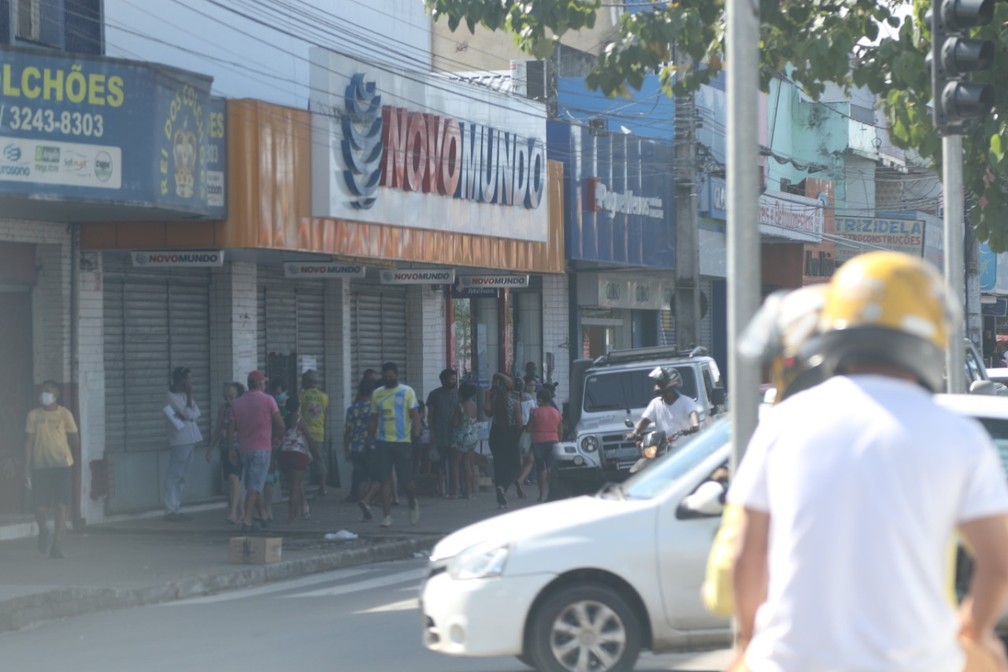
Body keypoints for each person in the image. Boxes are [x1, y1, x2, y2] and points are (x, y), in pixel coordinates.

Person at [729, 251, 1008, 672]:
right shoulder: (958, 435)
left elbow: (746, 555)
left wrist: (749, 644)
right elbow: (999, 563)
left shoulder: (784, 421)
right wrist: (973, 630)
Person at [360, 362, 421, 527]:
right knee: (384, 479)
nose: (389, 379)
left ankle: (412, 502)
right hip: (383, 442)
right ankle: (387, 516)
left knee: (406, 480)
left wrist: (416, 436)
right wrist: (369, 439)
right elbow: (373, 419)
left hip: (403, 442)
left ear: (397, 375)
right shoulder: (377, 394)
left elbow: (415, 415)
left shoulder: (407, 392)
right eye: (386, 377)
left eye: (391, 376)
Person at [24, 380, 79, 559]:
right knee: (40, 508)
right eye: (42, 391)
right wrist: (26, 468)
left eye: (48, 391)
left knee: (61, 507)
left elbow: (74, 439)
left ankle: (56, 544)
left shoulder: (65, 414)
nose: (44, 394)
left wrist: (63, 453)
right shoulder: (33, 415)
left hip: (62, 467)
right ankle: (43, 531)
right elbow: (29, 443)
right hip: (40, 467)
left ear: (56, 395)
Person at [228, 370, 285, 532]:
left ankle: (264, 516)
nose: (265, 385)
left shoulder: (237, 403)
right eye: (264, 383)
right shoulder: (268, 400)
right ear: (259, 384)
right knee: (255, 485)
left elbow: (231, 427)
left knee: (254, 482)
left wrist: (231, 449)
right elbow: (280, 424)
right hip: (262, 448)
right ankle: (247, 519)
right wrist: (278, 439)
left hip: (244, 449)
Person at [163, 366, 202, 521]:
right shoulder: (170, 396)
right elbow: (187, 413)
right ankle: (170, 508)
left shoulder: (185, 396)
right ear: (180, 380)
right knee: (174, 474)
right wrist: (189, 397)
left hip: (192, 438)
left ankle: (176, 506)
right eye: (187, 379)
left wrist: (188, 411)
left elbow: (195, 413)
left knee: (183, 475)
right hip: (180, 440)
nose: (189, 383)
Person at [205, 382, 246, 524]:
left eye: (231, 396)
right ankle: (243, 513)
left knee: (234, 478)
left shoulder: (242, 409)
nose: (228, 399)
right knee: (233, 481)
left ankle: (233, 512)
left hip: (238, 448)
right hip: (224, 447)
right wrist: (210, 448)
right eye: (225, 396)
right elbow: (217, 429)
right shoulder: (223, 409)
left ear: (238, 395)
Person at [629, 367, 700, 440]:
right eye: (662, 393)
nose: (664, 395)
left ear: (672, 389)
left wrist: (695, 425)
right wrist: (634, 432)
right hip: (663, 445)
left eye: (666, 392)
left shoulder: (686, 401)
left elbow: (693, 414)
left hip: (684, 446)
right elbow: (645, 420)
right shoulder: (655, 403)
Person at [278, 396, 316, 524]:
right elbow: (310, 439)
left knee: (291, 486)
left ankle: (295, 514)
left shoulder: (283, 420)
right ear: (298, 407)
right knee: (296, 487)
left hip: (285, 454)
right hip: (298, 454)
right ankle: (292, 516)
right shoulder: (300, 421)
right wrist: (315, 452)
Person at [488, 372, 522, 509]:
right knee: (514, 466)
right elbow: (519, 422)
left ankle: (500, 500)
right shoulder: (514, 402)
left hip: (495, 434)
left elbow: (488, 412)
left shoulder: (494, 400)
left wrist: (496, 376)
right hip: (510, 433)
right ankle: (502, 487)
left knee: (499, 466)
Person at [426, 368, 460, 497]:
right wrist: (431, 432)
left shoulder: (459, 394)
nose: (453, 382)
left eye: (454, 379)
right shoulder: (434, 395)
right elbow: (430, 415)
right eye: (451, 379)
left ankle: (454, 490)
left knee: (454, 463)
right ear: (443, 380)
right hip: (439, 433)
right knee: (439, 463)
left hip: (455, 434)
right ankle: (441, 489)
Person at [526, 387, 563, 502]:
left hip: (538, 442)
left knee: (540, 468)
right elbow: (560, 430)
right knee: (551, 467)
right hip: (553, 441)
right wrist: (558, 441)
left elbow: (528, 428)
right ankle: (552, 493)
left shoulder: (535, 412)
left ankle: (541, 495)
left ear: (540, 400)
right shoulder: (556, 412)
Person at [344, 379, 376, 506]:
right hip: (372, 446)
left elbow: (348, 431)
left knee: (361, 476)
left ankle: (362, 501)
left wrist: (346, 449)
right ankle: (369, 500)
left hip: (356, 447)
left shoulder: (352, 409)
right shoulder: (374, 408)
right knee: (375, 476)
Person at [298, 369, 329, 497]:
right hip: (319, 433)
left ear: (307, 381)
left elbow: (298, 415)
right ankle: (323, 487)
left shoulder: (301, 396)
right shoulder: (324, 396)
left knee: (301, 460)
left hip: (303, 433)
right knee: (319, 459)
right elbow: (325, 415)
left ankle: (301, 486)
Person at [454, 382, 480, 498]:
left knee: (455, 464)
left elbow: (455, 422)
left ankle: (455, 491)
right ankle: (469, 491)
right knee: (468, 464)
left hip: (461, 436)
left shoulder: (460, 406)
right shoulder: (474, 405)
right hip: (473, 436)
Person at [515, 375, 538, 495]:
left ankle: (520, 478)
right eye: (530, 385)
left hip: (519, 428)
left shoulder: (516, 398)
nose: (532, 387)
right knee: (529, 458)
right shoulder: (528, 399)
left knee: (522, 455)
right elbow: (533, 415)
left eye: (534, 385)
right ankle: (521, 479)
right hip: (527, 428)